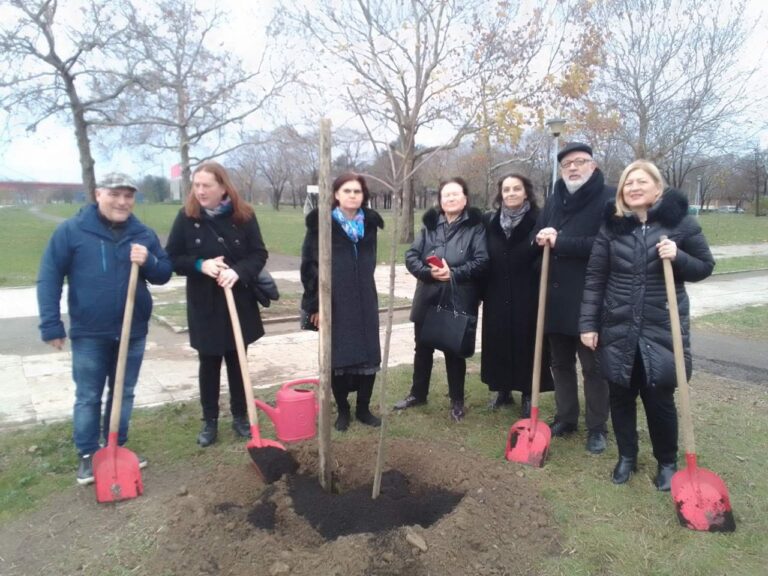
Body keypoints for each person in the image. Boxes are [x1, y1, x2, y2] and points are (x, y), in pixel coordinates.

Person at [580, 160, 714, 489]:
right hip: (618, 323)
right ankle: (627, 456)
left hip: (661, 325)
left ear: (658, 188)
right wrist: (588, 324)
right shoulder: (612, 226)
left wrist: (678, 257)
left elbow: (705, 266)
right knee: (621, 394)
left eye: (642, 182)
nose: (634, 188)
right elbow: (596, 278)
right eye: (628, 183)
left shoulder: (680, 224)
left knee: (659, 397)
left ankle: (667, 463)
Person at [37, 172, 172, 485]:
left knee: (123, 393)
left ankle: (115, 446)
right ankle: (88, 453)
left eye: (128, 196)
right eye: (115, 194)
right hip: (89, 332)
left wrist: (149, 259)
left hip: (132, 330)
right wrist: (51, 324)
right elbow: (49, 277)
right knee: (88, 395)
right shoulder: (72, 232)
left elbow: (164, 272)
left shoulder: (142, 233)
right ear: (99, 194)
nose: (122, 202)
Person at [165, 162, 268, 447]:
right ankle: (209, 420)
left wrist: (238, 271)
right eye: (196, 185)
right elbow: (172, 257)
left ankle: (239, 416)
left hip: (238, 301)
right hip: (205, 305)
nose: (200, 191)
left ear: (223, 187)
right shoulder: (187, 218)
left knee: (237, 362)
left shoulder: (243, 216)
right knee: (208, 363)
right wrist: (200, 264)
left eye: (206, 185)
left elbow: (258, 254)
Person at [533, 142, 614, 454]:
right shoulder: (555, 198)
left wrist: (561, 242)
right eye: (567, 163)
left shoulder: (608, 198)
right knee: (560, 363)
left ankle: (597, 427)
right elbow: (540, 233)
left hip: (589, 298)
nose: (573, 168)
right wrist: (539, 238)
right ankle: (566, 417)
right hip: (554, 297)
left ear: (592, 166)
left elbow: (606, 244)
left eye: (580, 161)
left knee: (593, 367)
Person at [394, 177, 489, 422]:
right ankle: (418, 393)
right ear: (440, 200)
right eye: (446, 195)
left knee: (453, 351)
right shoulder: (429, 226)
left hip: (458, 296)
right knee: (422, 348)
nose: (450, 199)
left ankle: (457, 400)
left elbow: (481, 261)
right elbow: (412, 255)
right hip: (428, 294)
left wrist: (453, 273)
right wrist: (428, 272)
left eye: (455, 194)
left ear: (465, 199)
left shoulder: (475, 227)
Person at [300, 173, 384, 431]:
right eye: (346, 190)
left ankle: (363, 408)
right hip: (335, 301)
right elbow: (309, 266)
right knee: (337, 357)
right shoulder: (322, 225)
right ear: (336, 194)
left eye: (357, 191)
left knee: (369, 354)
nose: (352, 195)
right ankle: (344, 411)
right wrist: (315, 304)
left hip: (365, 299)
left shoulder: (369, 225)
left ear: (363, 196)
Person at [481, 173, 552, 417]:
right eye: (506, 189)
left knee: (527, 342)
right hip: (497, 291)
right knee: (499, 341)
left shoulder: (538, 220)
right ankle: (503, 391)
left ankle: (528, 393)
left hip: (528, 292)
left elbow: (543, 256)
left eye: (516, 189)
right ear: (500, 194)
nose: (511, 193)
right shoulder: (490, 222)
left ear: (526, 192)